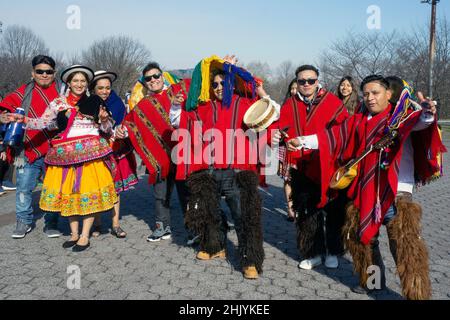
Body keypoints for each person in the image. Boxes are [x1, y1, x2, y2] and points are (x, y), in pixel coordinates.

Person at [285, 75, 446, 299]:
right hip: (366, 192)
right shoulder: (359, 119)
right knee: (365, 242)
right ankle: (374, 283)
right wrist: (302, 141)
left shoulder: (402, 116)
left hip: (396, 193)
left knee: (404, 247)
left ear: (388, 94)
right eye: (366, 94)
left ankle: (416, 294)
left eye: (375, 93)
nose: (370, 98)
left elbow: (422, 122)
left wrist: (429, 111)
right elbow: (333, 136)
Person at [174, 55, 280, 279]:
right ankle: (215, 247)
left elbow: (269, 116)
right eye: (215, 84)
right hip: (208, 169)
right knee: (208, 212)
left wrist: (232, 68)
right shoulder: (203, 106)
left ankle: (250, 259)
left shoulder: (245, 104)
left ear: (231, 83)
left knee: (243, 215)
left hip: (238, 170)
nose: (219, 87)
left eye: (223, 82)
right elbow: (182, 116)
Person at [12, 65, 118, 251]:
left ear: (87, 84)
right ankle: (74, 233)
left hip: (90, 157)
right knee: (71, 193)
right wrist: (25, 121)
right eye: (75, 81)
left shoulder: (94, 101)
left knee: (88, 192)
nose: (79, 84)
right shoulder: (58, 104)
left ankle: (85, 235)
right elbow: (45, 122)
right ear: (68, 82)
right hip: (66, 156)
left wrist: (103, 120)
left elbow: (108, 129)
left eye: (83, 81)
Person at [271, 65, 349, 270]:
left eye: (311, 80)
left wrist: (311, 141)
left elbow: (343, 132)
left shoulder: (332, 102)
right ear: (296, 82)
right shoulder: (289, 104)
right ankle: (312, 252)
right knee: (306, 213)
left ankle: (333, 250)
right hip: (302, 167)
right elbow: (280, 127)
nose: (306, 84)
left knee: (333, 212)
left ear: (317, 81)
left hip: (329, 166)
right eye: (302, 81)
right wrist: (277, 135)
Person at [122, 62, 191, 243]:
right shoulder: (143, 105)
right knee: (161, 195)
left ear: (162, 76)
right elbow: (129, 123)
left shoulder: (177, 91)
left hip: (183, 153)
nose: (153, 80)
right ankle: (162, 228)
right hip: (160, 158)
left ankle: (194, 228)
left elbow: (200, 84)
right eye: (148, 78)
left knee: (186, 193)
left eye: (156, 76)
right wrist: (119, 131)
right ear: (145, 83)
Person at [0, 55, 61, 239]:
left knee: (53, 189)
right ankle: (23, 220)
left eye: (48, 72)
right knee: (24, 188)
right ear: (32, 73)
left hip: (55, 148)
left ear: (54, 73)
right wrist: (3, 117)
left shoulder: (62, 93)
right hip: (27, 148)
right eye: (39, 71)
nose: (44, 75)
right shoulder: (22, 93)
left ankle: (51, 223)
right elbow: (4, 108)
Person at [91, 70, 138, 238]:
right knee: (96, 187)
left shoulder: (117, 103)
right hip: (94, 153)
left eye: (108, 88)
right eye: (101, 88)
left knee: (114, 189)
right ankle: (97, 223)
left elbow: (123, 123)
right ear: (94, 88)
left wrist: (120, 132)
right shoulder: (88, 104)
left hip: (113, 151)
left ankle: (115, 224)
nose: (105, 91)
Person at [278, 79, 298, 222]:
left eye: (296, 88)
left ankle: (299, 207)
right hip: (286, 149)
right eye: (292, 88)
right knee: (287, 179)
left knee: (299, 181)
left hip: (301, 150)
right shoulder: (285, 106)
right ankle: (290, 209)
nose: (294, 91)